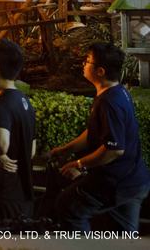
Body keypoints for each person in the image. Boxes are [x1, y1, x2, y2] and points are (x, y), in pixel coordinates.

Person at [52, 43, 150, 233]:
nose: (83, 64)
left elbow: (113, 149)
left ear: (100, 71)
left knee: (69, 207)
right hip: (133, 180)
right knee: (123, 238)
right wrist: (65, 150)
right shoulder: (118, 92)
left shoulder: (109, 102)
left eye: (87, 61)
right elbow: (94, 133)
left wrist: (79, 164)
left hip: (118, 182)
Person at [0, 39, 36, 226]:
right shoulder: (24, 101)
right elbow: (32, 147)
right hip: (22, 192)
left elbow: (2, 144)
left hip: (2, 193)